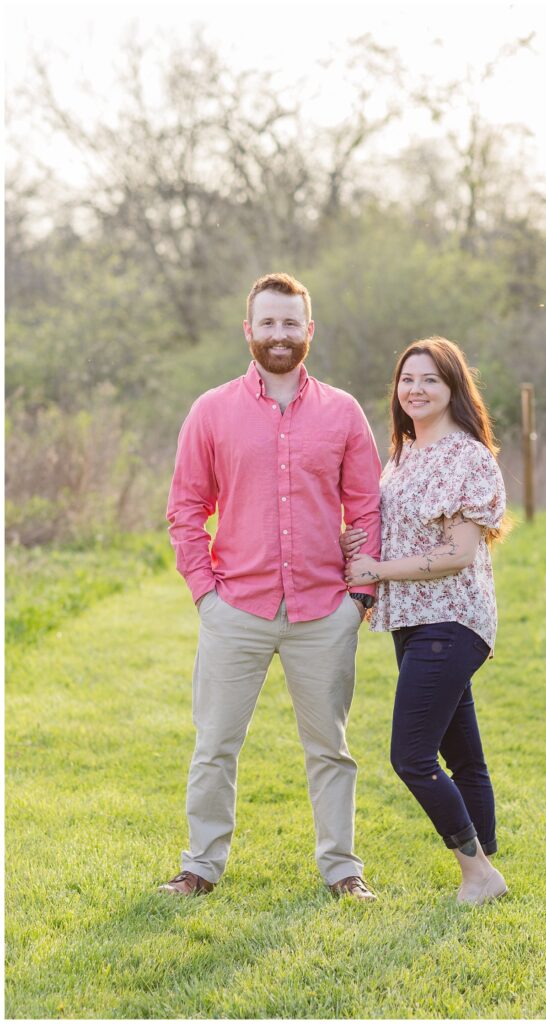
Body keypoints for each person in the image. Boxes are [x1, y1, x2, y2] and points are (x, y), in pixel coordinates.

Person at [161, 273, 382, 901]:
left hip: (323, 611)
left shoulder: (343, 412)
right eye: (268, 323)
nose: (279, 334)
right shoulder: (211, 411)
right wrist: (205, 594)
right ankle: (200, 867)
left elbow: (366, 509)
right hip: (236, 607)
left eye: (291, 323)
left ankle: (342, 870)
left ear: (309, 330)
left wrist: (358, 600)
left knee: (330, 751)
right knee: (214, 747)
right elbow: (185, 509)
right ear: (249, 330)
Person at [341, 336, 509, 905]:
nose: (415, 389)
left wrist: (378, 567)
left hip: (452, 620)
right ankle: (485, 865)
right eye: (407, 379)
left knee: (411, 755)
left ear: (454, 388)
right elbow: (398, 528)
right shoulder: (405, 453)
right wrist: (356, 545)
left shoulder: (468, 456)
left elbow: (460, 553)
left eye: (430, 379)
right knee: (462, 754)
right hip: (415, 620)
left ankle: (478, 874)